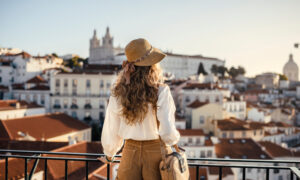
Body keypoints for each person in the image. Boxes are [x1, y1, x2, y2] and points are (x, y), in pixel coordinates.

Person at [98, 38, 180, 180]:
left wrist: (110, 154)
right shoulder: (161, 91)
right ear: (152, 66)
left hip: (129, 155)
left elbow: (112, 127)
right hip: (156, 155)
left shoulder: (118, 93)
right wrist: (174, 143)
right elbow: (167, 129)